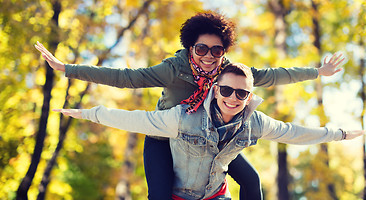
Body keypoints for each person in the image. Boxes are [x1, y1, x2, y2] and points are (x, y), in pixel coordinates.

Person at [36, 11, 345, 200]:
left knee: (251, 181)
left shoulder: (231, 73)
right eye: (201, 49)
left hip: (209, 137)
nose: (209, 56)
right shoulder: (174, 68)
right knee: (160, 195)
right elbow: (126, 77)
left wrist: (318, 72)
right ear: (190, 48)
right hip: (166, 135)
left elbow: (273, 75)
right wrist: (69, 69)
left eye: (217, 50)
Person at [54, 63, 366, 200]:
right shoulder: (183, 118)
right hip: (178, 194)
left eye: (241, 94)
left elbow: (293, 132)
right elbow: (137, 119)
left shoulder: (254, 122)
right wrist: (90, 114)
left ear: (249, 96)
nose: (233, 99)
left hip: (215, 195)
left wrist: (337, 134)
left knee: (252, 180)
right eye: (227, 91)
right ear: (216, 90)